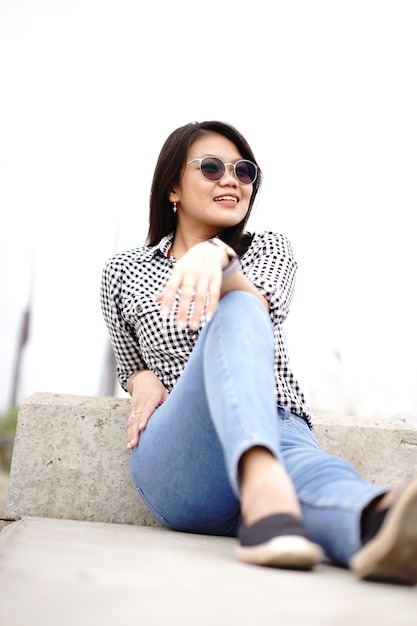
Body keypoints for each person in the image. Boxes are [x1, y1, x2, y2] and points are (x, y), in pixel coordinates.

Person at [100, 120, 417, 584]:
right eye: (211, 167)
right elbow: (130, 362)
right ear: (172, 187)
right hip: (186, 453)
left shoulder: (269, 248)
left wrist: (218, 258)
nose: (230, 179)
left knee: (326, 482)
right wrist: (140, 379)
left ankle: (380, 523)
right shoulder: (124, 270)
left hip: (278, 425)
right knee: (238, 303)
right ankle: (266, 488)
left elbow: (256, 305)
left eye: (243, 170)